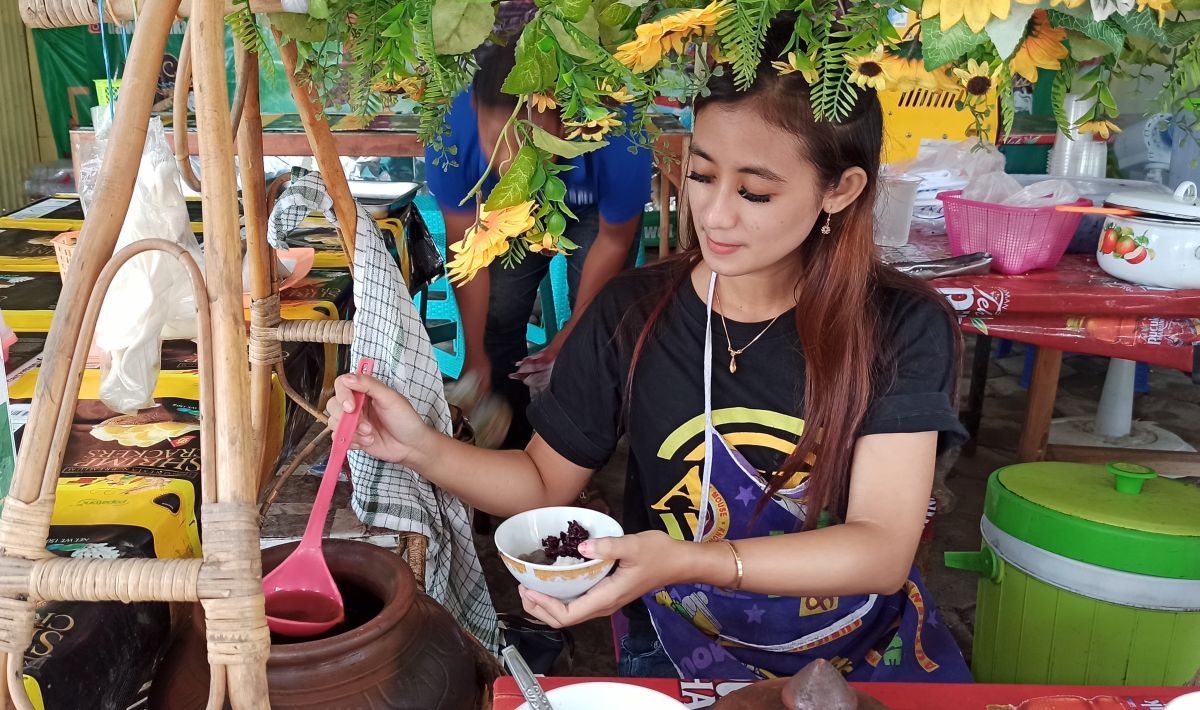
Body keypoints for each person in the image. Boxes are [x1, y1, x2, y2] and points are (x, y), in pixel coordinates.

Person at [332, 16, 970, 682]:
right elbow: (543, 482)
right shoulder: (631, 313)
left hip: (854, 655)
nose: (715, 215)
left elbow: (880, 549)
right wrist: (419, 446)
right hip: (675, 644)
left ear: (839, 189)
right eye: (702, 175)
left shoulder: (899, 325)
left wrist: (689, 559)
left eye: (755, 192)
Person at [426, 41, 652, 448]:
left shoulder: (619, 132)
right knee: (496, 318)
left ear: (564, 122)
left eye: (530, 142)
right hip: (508, 211)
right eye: (495, 140)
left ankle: (579, 455)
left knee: (594, 332)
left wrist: (570, 335)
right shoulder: (451, 134)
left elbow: (613, 240)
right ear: (475, 113)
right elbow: (467, 249)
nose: (510, 161)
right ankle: (510, 445)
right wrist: (474, 355)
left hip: (594, 214)